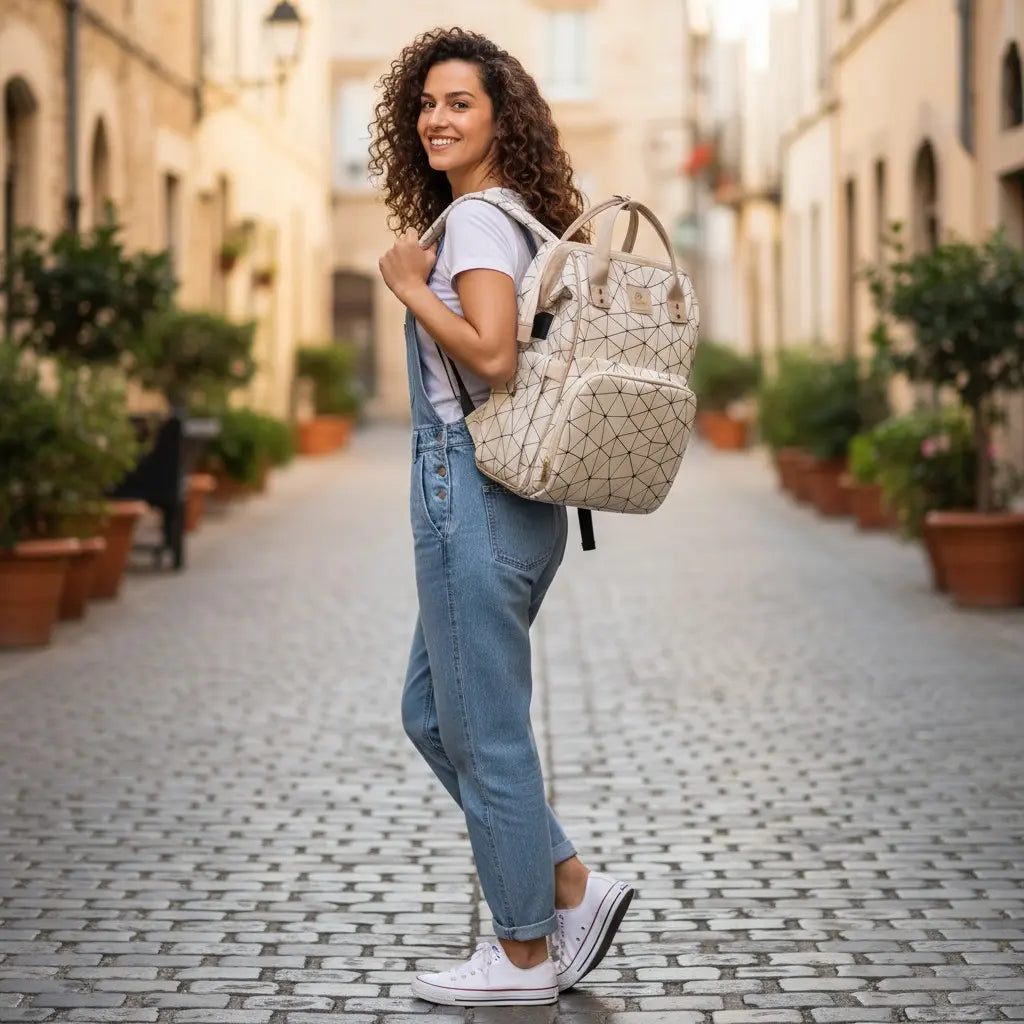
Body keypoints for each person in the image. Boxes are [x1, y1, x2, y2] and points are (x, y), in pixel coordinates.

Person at [372, 27, 635, 1008]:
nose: (436, 118)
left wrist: (405, 284)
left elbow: (493, 358)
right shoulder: (523, 217)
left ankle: (524, 953)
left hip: (470, 495)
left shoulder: (478, 223)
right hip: (523, 505)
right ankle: (567, 881)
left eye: (458, 104)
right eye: (427, 104)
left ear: (497, 118)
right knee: (434, 712)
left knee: (483, 731)